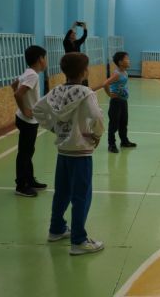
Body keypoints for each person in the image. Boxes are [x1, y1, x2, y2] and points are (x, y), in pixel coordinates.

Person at [33, 52, 105, 256]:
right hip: (81, 152)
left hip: (63, 151)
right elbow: (97, 116)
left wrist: (53, 128)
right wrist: (97, 134)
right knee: (81, 196)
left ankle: (56, 229)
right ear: (84, 71)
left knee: (62, 192)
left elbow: (37, 109)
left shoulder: (56, 92)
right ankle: (79, 241)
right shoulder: (86, 93)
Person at [11, 45, 48, 197]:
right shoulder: (33, 76)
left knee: (28, 151)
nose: (46, 61)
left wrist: (24, 107)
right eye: (45, 58)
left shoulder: (28, 72)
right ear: (40, 59)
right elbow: (18, 94)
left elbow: (14, 85)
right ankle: (21, 185)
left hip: (25, 119)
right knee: (25, 153)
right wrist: (25, 109)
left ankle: (29, 180)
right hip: (27, 120)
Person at [102, 52, 137, 153]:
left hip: (123, 101)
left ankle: (124, 141)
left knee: (123, 122)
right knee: (114, 124)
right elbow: (105, 84)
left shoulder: (124, 72)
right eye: (127, 59)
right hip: (116, 102)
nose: (129, 61)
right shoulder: (117, 74)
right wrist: (110, 94)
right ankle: (111, 144)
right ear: (120, 62)